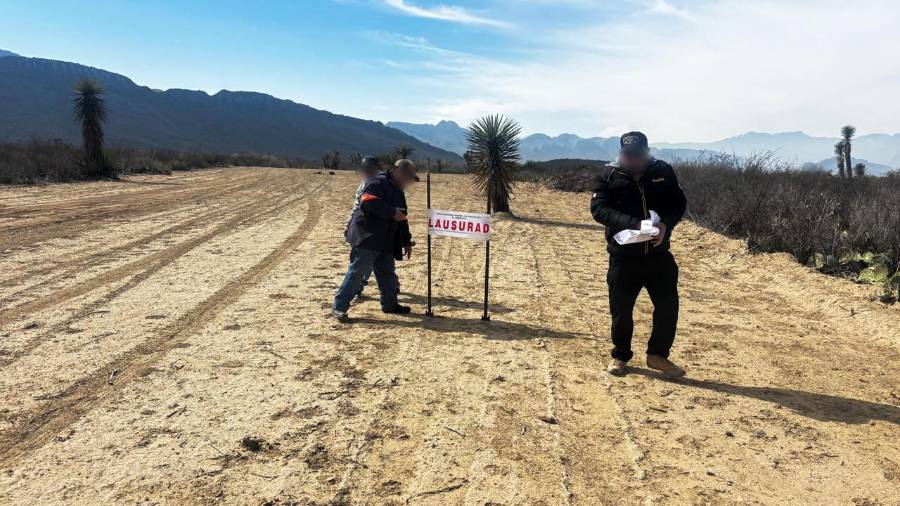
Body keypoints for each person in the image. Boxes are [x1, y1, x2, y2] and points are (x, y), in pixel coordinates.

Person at [590, 131, 688, 378]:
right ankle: (620, 356)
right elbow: (599, 209)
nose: (632, 160)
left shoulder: (663, 171)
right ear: (620, 153)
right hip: (623, 257)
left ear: (647, 153)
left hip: (658, 255)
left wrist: (665, 225)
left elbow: (678, 203)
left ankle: (658, 355)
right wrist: (634, 224)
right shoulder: (608, 175)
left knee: (668, 306)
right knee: (621, 310)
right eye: (628, 155)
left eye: (637, 155)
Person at [332, 159, 417, 322]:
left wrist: (406, 240)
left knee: (387, 273)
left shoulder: (398, 190)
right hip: (367, 237)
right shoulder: (378, 182)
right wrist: (391, 212)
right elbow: (367, 201)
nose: (409, 181)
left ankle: (390, 304)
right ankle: (339, 307)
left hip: (385, 239)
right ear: (398, 171)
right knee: (357, 272)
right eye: (408, 176)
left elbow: (402, 217)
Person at [345, 156, 383, 298]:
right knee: (367, 257)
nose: (366, 171)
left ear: (376, 168)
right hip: (362, 226)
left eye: (369, 168)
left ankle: (390, 285)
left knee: (372, 258)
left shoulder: (384, 183)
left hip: (377, 227)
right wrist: (349, 224)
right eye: (364, 168)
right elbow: (356, 206)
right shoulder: (364, 184)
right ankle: (361, 283)